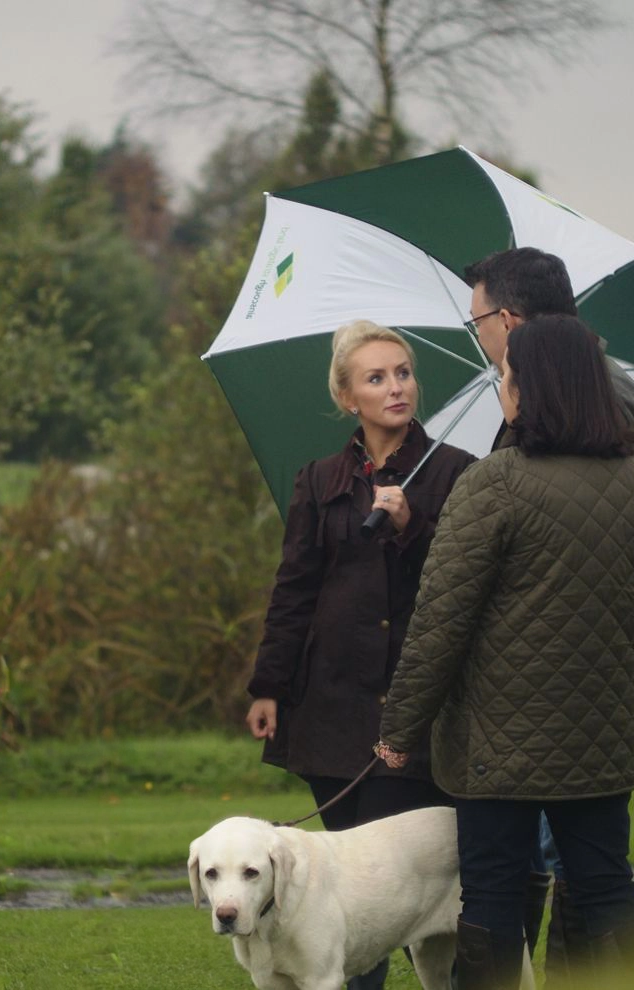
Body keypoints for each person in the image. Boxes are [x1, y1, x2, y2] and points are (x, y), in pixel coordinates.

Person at [376, 314, 634, 989]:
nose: (501, 386)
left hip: (499, 744)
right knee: (609, 886)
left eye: (506, 375)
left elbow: (441, 621)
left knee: (492, 895)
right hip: (603, 735)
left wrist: (399, 730)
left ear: (531, 388)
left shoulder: (495, 484)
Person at [463, 247, 634, 981]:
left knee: (578, 869)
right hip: (571, 680)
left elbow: (631, 569)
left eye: (475, 324)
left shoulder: (605, 401)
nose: (477, 340)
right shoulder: (570, 393)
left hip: (576, 684)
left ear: (509, 319)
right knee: (569, 864)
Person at [244, 319, 476, 990]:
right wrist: (269, 686)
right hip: (331, 708)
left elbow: (468, 584)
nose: (396, 387)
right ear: (348, 396)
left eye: (402, 373)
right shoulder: (319, 482)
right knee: (334, 888)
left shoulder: (458, 474)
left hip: (415, 711)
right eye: (376, 377)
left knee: (392, 893)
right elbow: (294, 589)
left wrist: (413, 528)